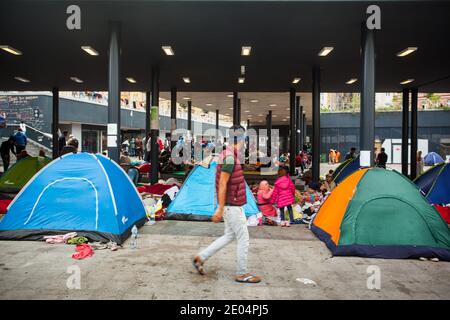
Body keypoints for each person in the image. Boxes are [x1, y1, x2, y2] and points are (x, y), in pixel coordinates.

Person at [193, 125, 261, 284]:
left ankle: (200, 257)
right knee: (244, 238)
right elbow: (222, 183)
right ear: (242, 139)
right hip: (232, 206)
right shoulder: (230, 157)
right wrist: (220, 208)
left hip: (231, 204)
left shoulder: (228, 154)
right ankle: (242, 273)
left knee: (229, 235)